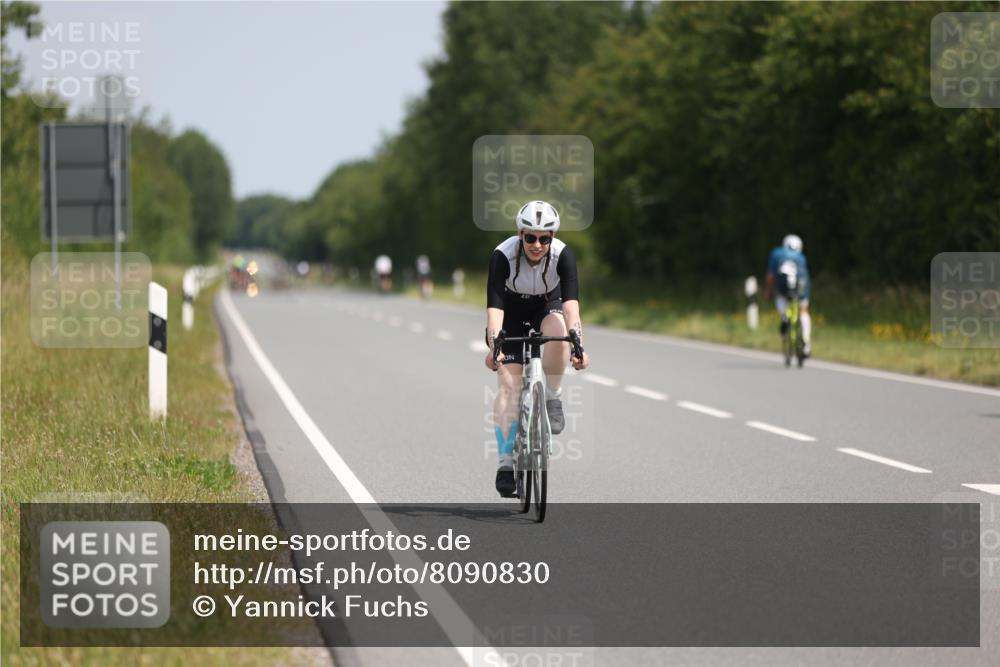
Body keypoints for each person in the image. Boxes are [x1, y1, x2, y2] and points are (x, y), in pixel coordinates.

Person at [484, 200, 590, 497]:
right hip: (511, 312)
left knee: (558, 335)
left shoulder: (563, 256)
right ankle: (506, 463)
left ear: (552, 238)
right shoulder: (502, 256)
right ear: (520, 234)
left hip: (547, 304)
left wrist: (578, 344)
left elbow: (572, 308)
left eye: (545, 238)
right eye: (530, 237)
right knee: (508, 385)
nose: (537, 244)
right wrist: (495, 346)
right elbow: (494, 309)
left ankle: (553, 397)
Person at [765, 234, 811, 357]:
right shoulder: (802, 257)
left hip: (782, 285)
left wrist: (769, 291)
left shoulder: (777, 254)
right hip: (800, 285)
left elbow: (771, 276)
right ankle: (806, 343)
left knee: (781, 298)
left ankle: (785, 316)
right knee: (803, 311)